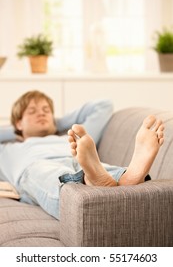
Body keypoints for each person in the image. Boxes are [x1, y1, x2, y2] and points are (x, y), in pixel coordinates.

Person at [0, 90, 164, 219]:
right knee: (52, 176)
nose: (42, 113)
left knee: (101, 168)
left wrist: (56, 123)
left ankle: (127, 177)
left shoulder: (73, 137)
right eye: (32, 111)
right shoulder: (8, 149)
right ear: (19, 123)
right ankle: (94, 181)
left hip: (78, 159)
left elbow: (103, 105)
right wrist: (15, 131)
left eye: (46, 110)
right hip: (36, 165)